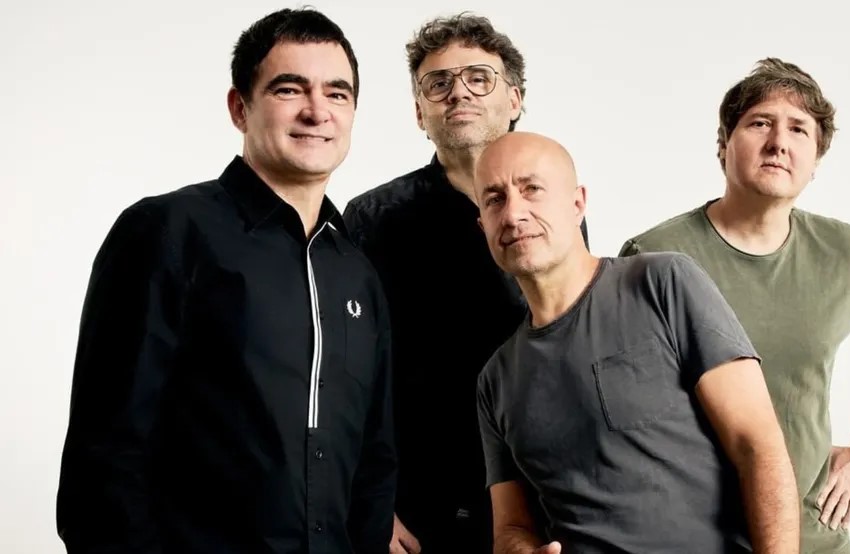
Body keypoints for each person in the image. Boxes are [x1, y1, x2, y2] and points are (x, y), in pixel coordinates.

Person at [55, 8, 396, 553]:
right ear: (240, 108)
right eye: (290, 89)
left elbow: (374, 461)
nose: (317, 111)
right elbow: (105, 457)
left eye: (337, 93)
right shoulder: (167, 231)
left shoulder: (356, 272)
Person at [619, 58, 850, 553]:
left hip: (812, 536)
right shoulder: (652, 258)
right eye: (760, 123)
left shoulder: (849, 253)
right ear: (723, 144)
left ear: (815, 160)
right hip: (689, 538)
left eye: (798, 129)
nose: (779, 142)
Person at [473, 131, 799, 554]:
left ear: (577, 204)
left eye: (531, 189)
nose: (514, 213)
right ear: (482, 225)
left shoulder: (662, 284)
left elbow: (758, 447)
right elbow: (511, 527)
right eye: (494, 199)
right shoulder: (495, 381)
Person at [342, 13, 587, 554]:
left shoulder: (557, 208)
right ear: (419, 113)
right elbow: (344, 375)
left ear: (515, 99)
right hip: (420, 504)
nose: (459, 93)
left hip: (542, 495)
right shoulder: (370, 220)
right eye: (439, 83)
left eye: (479, 78)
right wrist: (371, 502)